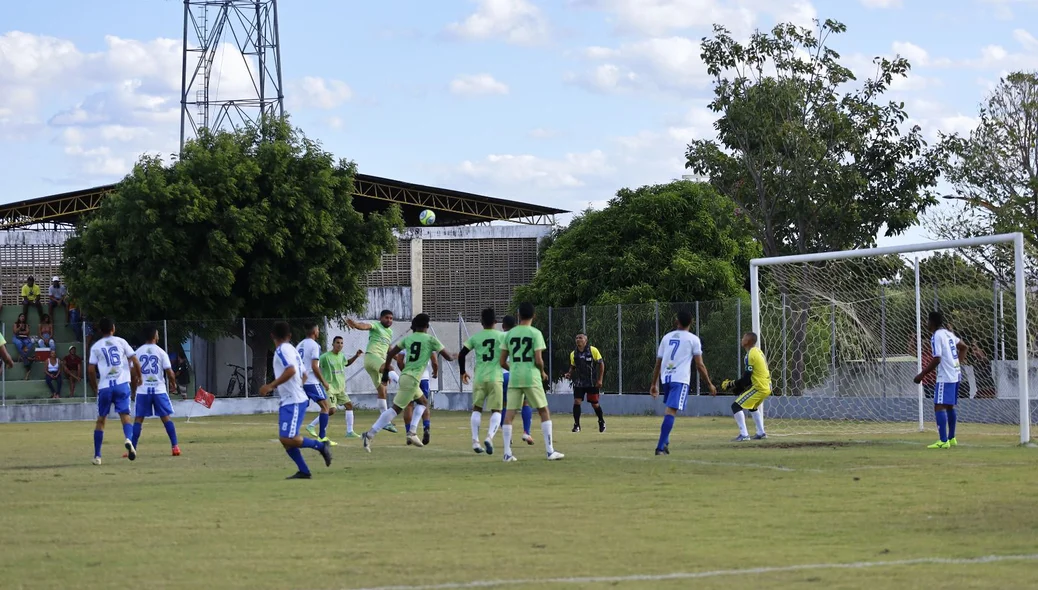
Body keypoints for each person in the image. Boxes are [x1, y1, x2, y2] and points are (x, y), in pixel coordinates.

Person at [362, 314, 454, 450]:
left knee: (423, 402)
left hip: (406, 376)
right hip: (412, 379)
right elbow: (449, 357)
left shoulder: (408, 339)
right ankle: (369, 434)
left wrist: (386, 372)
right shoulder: (431, 339)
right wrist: (459, 354)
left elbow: (391, 354)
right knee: (395, 409)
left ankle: (411, 432)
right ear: (427, 326)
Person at [258, 321, 332, 479]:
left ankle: (320, 446)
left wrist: (270, 386)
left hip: (294, 400)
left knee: (287, 437)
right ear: (289, 336)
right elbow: (304, 374)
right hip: (291, 399)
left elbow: (291, 370)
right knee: (286, 440)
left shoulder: (281, 350)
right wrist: (297, 386)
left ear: (272, 336)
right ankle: (304, 471)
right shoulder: (292, 349)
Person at [498, 303, 564, 462]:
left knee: (509, 414)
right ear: (534, 316)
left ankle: (507, 453)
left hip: (515, 377)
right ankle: (550, 451)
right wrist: (541, 371)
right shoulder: (535, 333)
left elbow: (502, 362)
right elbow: (539, 360)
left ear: (518, 315)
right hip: (531, 376)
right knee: (543, 410)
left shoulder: (509, 334)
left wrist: (513, 368)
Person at [649, 311, 716, 455]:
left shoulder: (666, 338)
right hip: (680, 379)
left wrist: (654, 384)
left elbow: (658, 363)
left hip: (666, 378)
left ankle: (665, 443)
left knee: (669, 410)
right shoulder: (693, 339)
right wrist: (709, 384)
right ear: (691, 322)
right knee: (671, 411)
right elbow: (700, 365)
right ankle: (660, 447)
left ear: (676, 321)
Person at [88, 318, 143, 465]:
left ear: (100, 330)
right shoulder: (121, 342)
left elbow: (91, 370)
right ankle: (128, 439)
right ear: (113, 328)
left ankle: (97, 456)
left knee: (101, 420)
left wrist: (95, 387)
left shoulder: (96, 346)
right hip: (121, 384)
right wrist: (140, 377)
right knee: (125, 417)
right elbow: (136, 361)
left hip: (105, 386)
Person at [914, 310, 968, 449]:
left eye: (927, 321)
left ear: (931, 322)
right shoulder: (948, 333)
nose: (926, 323)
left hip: (946, 376)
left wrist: (922, 375)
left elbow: (937, 359)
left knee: (939, 405)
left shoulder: (937, 336)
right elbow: (963, 347)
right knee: (949, 406)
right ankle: (952, 438)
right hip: (956, 374)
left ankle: (943, 441)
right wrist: (957, 364)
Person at [460, 308, 506, 454]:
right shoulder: (501, 337)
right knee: (497, 410)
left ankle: (475, 441)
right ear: (496, 322)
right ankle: (489, 437)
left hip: (479, 378)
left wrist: (463, 372)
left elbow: (462, 354)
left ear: (481, 322)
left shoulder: (476, 337)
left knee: (477, 409)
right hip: (496, 377)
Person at [128, 328, 180, 457]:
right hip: (158, 390)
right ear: (154, 336)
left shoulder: (138, 352)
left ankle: (133, 448)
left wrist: (133, 390)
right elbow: (169, 372)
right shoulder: (161, 352)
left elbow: (133, 373)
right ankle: (175, 447)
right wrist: (173, 384)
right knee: (166, 417)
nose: (158, 336)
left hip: (143, 390)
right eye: (157, 334)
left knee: (138, 419)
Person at [347, 310, 399, 433]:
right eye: (387, 317)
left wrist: (398, 357)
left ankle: (385, 422)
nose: (389, 320)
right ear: (381, 318)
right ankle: (405, 385)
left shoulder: (389, 332)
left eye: (391, 318)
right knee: (389, 369)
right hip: (372, 358)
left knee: (382, 391)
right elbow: (364, 326)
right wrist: (355, 324)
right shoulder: (376, 325)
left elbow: (388, 348)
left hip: (377, 361)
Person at [720, 332, 771, 441]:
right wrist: (738, 387)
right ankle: (761, 432)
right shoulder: (758, 351)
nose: (741, 339)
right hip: (767, 386)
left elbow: (746, 378)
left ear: (747, 341)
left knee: (736, 406)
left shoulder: (750, 355)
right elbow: (747, 379)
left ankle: (744, 435)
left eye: (743, 338)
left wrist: (732, 384)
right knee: (752, 407)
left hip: (760, 387)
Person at [310, 336, 363, 439]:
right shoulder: (325, 357)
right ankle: (311, 425)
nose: (340, 345)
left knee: (349, 405)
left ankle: (349, 432)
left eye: (341, 343)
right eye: (338, 343)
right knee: (331, 410)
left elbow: (346, 363)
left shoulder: (341, 356)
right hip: (329, 387)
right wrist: (320, 380)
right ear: (333, 344)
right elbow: (315, 366)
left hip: (340, 388)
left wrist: (356, 356)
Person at [297, 322, 335, 446]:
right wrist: (324, 381)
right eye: (318, 330)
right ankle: (322, 437)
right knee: (325, 407)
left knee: (301, 407)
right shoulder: (314, 345)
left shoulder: (300, 345)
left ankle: (291, 432)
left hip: (300, 381)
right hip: (311, 381)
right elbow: (314, 366)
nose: (319, 332)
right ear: (314, 332)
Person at [500, 315, 535, 446]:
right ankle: (526, 431)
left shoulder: (499, 337)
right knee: (525, 403)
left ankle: (507, 436)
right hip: (519, 374)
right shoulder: (520, 336)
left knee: (504, 406)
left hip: (502, 375)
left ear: (503, 326)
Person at [565, 333, 606, 433]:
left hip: (592, 382)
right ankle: (577, 425)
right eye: (577, 338)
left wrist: (600, 380)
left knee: (595, 404)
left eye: (581, 338)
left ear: (585, 341)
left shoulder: (593, 350)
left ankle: (601, 421)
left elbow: (601, 364)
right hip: (579, 383)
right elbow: (573, 366)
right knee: (577, 402)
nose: (578, 339)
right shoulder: (573, 354)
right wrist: (569, 373)